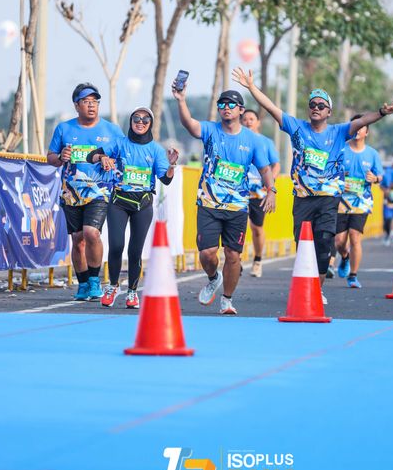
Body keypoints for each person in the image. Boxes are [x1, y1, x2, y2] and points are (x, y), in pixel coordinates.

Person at [231, 66, 393, 301]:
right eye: (312, 104)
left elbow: (363, 120)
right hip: (303, 199)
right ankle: (308, 285)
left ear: (328, 111)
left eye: (321, 105)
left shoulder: (339, 132)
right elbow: (271, 107)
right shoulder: (296, 127)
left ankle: (317, 289)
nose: (315, 108)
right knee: (303, 245)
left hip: (328, 199)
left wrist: (383, 112)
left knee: (324, 243)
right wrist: (252, 87)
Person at [172, 81, 276, 315]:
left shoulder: (252, 140)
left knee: (233, 255)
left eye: (231, 104)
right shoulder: (211, 130)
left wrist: (272, 190)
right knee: (207, 253)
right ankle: (213, 278)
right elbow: (189, 124)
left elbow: (265, 169)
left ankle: (227, 300)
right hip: (209, 203)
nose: (226, 108)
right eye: (222, 104)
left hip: (237, 206)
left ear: (241, 110)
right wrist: (181, 100)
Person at [87, 107, 179, 308]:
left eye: (145, 119)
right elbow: (90, 156)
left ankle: (132, 292)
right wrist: (102, 158)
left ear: (150, 124)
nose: (140, 122)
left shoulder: (156, 150)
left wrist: (171, 166)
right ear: (130, 121)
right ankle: (112, 286)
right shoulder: (119, 143)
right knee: (116, 245)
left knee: (135, 251)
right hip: (118, 202)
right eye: (136, 118)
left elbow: (166, 179)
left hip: (142, 205)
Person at [47, 83, 123, 300]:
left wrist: (111, 162)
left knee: (92, 233)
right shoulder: (64, 129)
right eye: (86, 102)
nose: (91, 106)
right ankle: (82, 284)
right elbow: (50, 158)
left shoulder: (112, 130)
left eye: (95, 102)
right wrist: (60, 157)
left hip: (99, 191)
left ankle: (94, 280)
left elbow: (123, 156)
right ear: (76, 105)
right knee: (78, 239)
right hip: (71, 192)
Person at [335, 114, 383, 289]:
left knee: (355, 237)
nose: (357, 130)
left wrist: (374, 178)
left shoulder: (372, 154)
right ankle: (345, 257)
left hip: (362, 201)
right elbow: (331, 170)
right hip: (341, 202)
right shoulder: (341, 149)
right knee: (339, 241)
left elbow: (380, 176)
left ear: (366, 132)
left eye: (361, 127)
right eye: (355, 126)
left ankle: (353, 276)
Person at [241, 109, 280, 278]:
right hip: (238, 189)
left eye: (251, 119)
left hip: (258, 191)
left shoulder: (265, 142)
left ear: (258, 123)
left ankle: (257, 260)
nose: (248, 122)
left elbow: (276, 165)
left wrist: (270, 183)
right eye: (245, 119)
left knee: (256, 228)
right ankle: (235, 259)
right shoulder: (237, 139)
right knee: (238, 225)